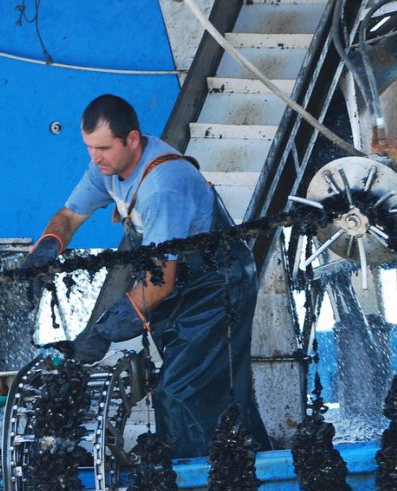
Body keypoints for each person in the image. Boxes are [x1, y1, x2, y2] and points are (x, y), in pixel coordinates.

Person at [24, 94, 270, 459]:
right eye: (89, 147)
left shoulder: (163, 186)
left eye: (103, 148)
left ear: (133, 140)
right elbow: (70, 216)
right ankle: (254, 464)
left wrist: (101, 333)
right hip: (180, 285)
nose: (95, 157)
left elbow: (158, 282)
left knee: (181, 391)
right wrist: (47, 247)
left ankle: (198, 479)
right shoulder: (107, 168)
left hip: (216, 288)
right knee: (219, 388)